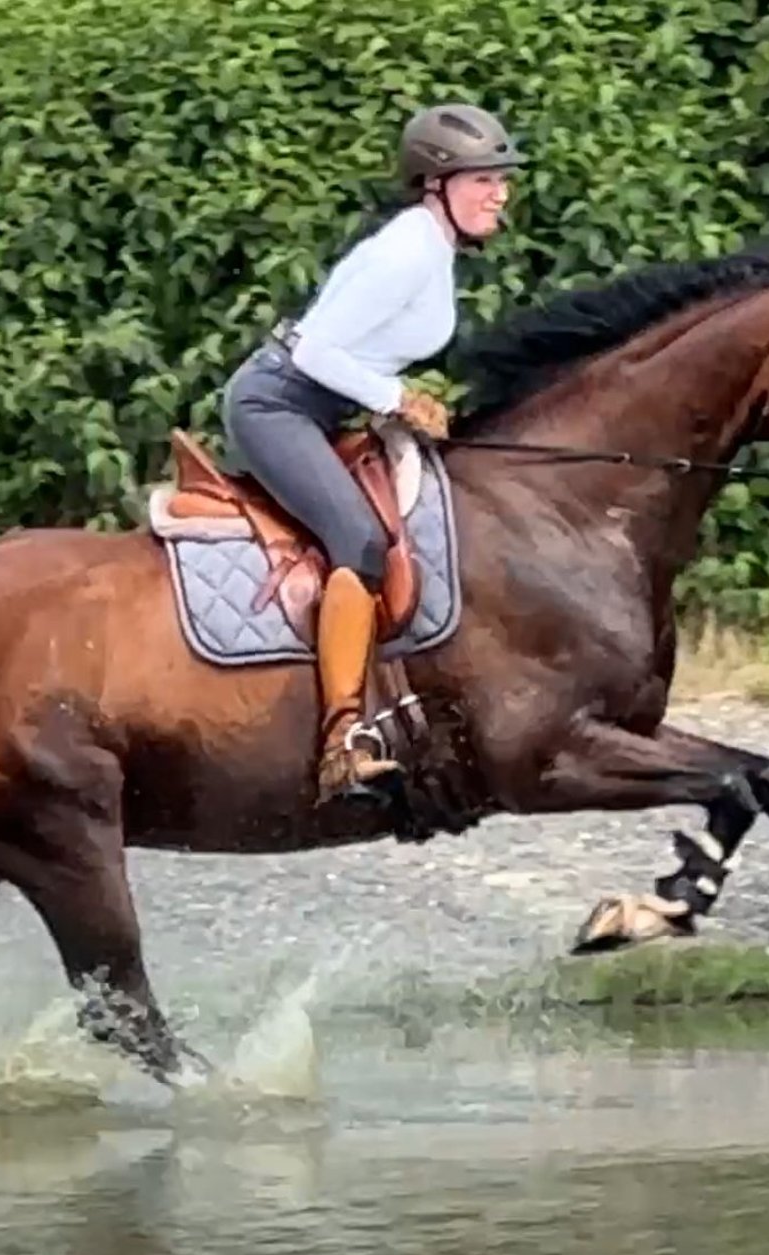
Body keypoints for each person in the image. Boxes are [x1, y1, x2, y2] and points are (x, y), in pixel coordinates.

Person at [221, 102, 527, 804]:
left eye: (500, 179)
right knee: (359, 542)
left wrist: (398, 398)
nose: (499, 192)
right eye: (483, 179)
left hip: (321, 404)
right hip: (277, 406)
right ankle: (341, 741)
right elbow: (315, 348)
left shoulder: (431, 246)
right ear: (436, 184)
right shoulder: (408, 250)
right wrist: (393, 399)